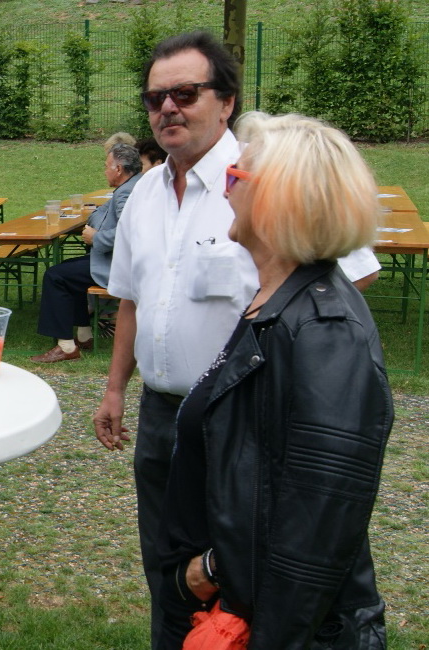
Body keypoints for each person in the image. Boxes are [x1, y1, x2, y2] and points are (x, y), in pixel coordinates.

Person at [92, 31, 382, 646]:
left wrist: (290, 349)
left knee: (245, 583)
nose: (167, 108)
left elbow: (345, 273)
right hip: (168, 416)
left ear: (225, 102)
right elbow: (132, 298)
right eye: (154, 97)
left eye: (184, 93)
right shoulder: (143, 193)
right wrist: (116, 388)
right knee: (172, 579)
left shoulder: (274, 173)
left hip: (252, 431)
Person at [158, 112, 390, 648]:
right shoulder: (275, 303)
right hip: (241, 603)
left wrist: (215, 570)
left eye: (235, 176)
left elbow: (316, 529)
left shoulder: (325, 331)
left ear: (275, 200)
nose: (224, 189)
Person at [30, 142, 141, 363]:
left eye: (107, 166)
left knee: (55, 276)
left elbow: (130, 232)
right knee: (67, 271)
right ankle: (84, 335)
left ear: (119, 169)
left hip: (119, 266)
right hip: (117, 260)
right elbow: (102, 216)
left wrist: (96, 237)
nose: (105, 171)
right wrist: (98, 219)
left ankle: (66, 347)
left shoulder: (126, 192)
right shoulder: (135, 184)